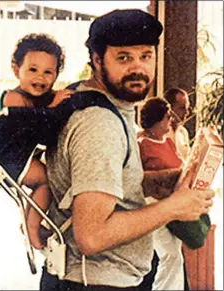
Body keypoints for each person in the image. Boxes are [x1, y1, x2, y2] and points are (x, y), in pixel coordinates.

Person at [39, 9, 214, 291]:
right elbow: (92, 236)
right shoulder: (100, 123)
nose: (137, 68)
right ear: (97, 60)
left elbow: (101, 186)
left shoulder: (94, 102)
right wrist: (173, 208)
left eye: (145, 56)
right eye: (123, 57)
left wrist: (159, 181)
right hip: (96, 283)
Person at [0, 33, 74, 249]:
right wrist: (54, 107)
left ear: (56, 75)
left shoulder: (38, 98)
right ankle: (32, 228)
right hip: (5, 158)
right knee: (46, 181)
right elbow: (37, 125)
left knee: (44, 181)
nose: (40, 78)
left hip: (18, 156)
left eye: (48, 72)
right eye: (33, 70)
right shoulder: (14, 98)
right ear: (17, 70)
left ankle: (29, 223)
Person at [138, 97, 186, 290]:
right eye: (167, 116)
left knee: (175, 255)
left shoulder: (168, 142)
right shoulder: (142, 145)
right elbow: (139, 179)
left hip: (172, 204)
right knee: (170, 255)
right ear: (157, 120)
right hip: (152, 205)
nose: (171, 120)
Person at [164, 87, 191, 162]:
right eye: (182, 108)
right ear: (170, 108)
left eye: (187, 108)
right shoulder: (160, 132)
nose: (187, 113)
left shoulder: (183, 132)